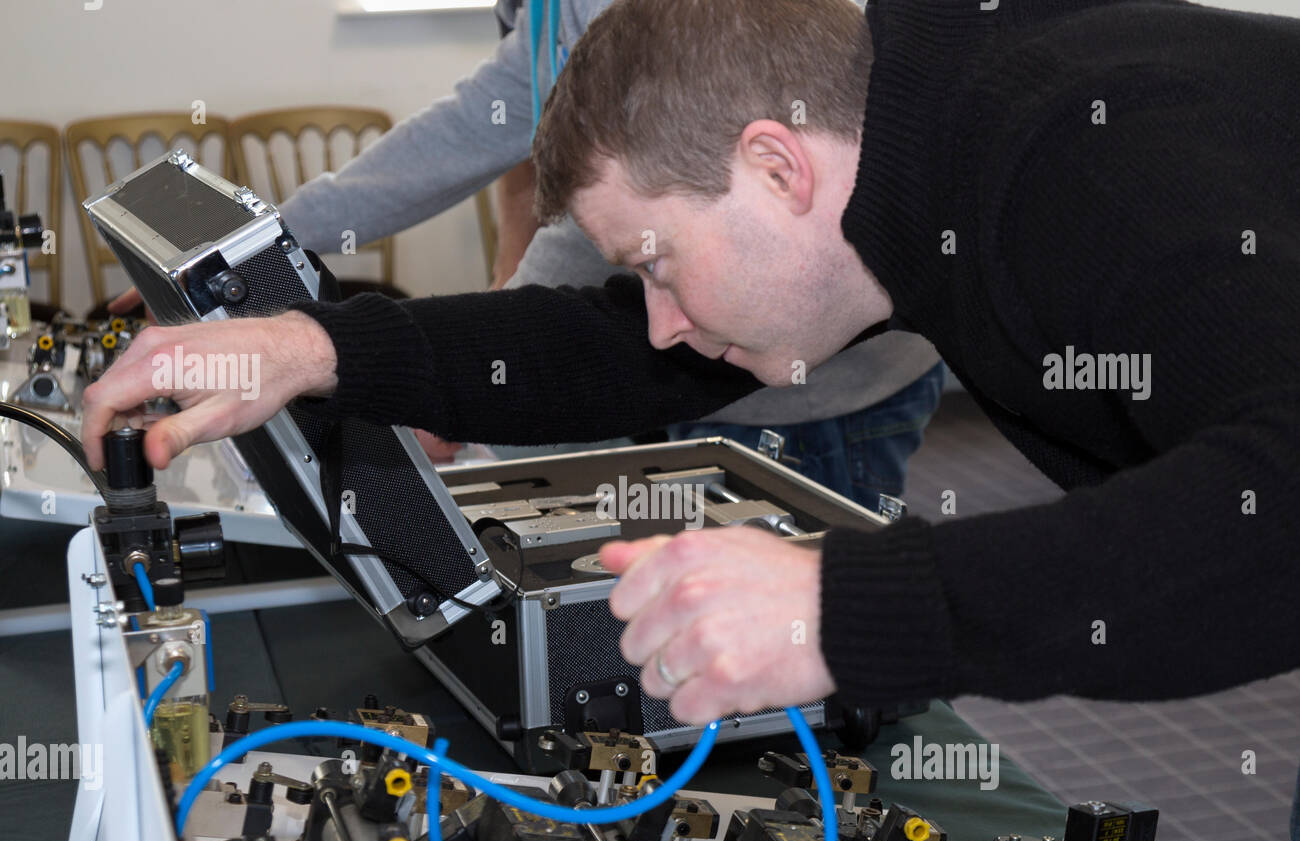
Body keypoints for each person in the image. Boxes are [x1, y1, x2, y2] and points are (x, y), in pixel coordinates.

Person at [84, 0, 1298, 735]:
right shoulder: (897, 148)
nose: (659, 319)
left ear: (776, 168)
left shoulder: (1078, 153)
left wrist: (844, 607)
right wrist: (321, 345)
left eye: (660, 263)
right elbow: (616, 347)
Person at [109, 0, 944, 502]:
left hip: (824, 397)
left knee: (824, 669)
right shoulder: (548, 17)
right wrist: (270, 235)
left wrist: (468, 392)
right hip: (684, 356)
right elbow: (478, 134)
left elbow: (608, 245)